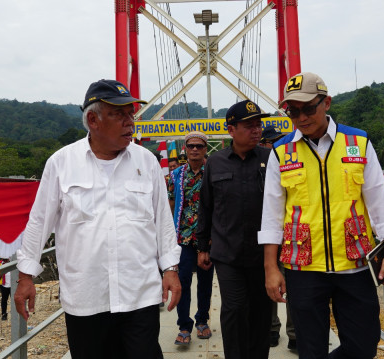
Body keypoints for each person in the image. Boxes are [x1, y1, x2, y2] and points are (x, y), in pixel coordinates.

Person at [14, 79, 182, 359]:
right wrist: (25, 277)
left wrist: (171, 270)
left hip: (139, 294)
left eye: (132, 114)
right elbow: (39, 221)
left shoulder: (146, 162)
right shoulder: (61, 163)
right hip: (86, 297)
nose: (131, 122)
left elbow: (163, 221)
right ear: (93, 120)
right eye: (120, 115)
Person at [259, 72, 384, 359]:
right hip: (304, 268)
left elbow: (378, 198)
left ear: (327, 103)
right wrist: (271, 268)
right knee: (310, 348)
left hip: (355, 263)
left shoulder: (358, 142)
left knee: (363, 345)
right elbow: (272, 215)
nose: (301, 117)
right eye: (293, 111)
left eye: (308, 108)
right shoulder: (281, 152)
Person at [196, 99, 272, 359]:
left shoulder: (270, 159)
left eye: (258, 124)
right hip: (227, 255)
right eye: (249, 125)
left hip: (264, 255)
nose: (256, 130)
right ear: (231, 129)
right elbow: (205, 207)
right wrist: (202, 247)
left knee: (262, 311)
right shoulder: (215, 163)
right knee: (234, 310)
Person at [167, 131, 214, 345]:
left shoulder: (213, 172)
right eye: (191, 146)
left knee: (205, 281)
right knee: (182, 281)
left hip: (207, 239)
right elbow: (169, 205)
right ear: (185, 149)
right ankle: (184, 325)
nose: (195, 149)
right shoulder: (176, 175)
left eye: (199, 146)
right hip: (183, 239)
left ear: (205, 149)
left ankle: (202, 320)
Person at [258, 126, 296, 350]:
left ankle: (294, 333)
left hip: (293, 237)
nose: (274, 146)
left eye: (277, 141)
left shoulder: (291, 163)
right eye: (270, 142)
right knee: (271, 284)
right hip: (268, 238)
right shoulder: (255, 167)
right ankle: (272, 328)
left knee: (293, 287)